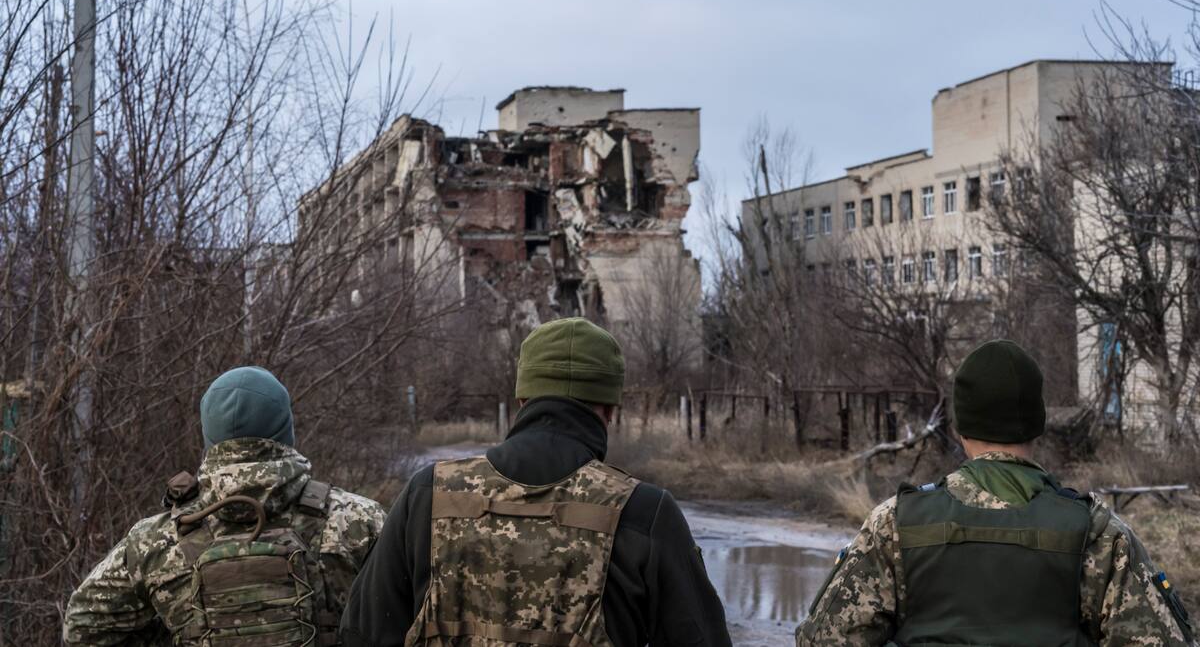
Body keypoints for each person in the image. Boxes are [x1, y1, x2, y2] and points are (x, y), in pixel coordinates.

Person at [341, 317, 731, 647]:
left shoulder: (428, 494)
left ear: (522, 399)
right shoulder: (644, 511)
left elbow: (363, 633)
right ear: (611, 410)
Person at [796, 339, 1194, 646]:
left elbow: (823, 639)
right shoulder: (1099, 535)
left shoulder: (894, 526)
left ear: (959, 427)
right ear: (1036, 425)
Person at [64, 366, 387, 646]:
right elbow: (415, 615)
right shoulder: (357, 519)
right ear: (285, 427)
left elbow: (83, 628)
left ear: (209, 434)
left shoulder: (153, 540)